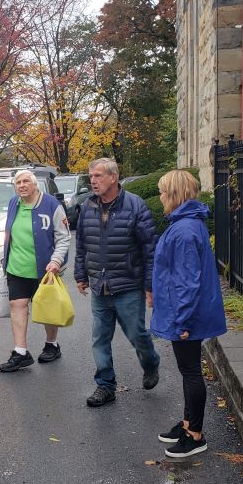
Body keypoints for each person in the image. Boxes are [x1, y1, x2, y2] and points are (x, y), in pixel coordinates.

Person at [150, 170, 227, 458]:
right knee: (188, 369)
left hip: (186, 314)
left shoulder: (183, 230)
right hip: (184, 310)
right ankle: (187, 424)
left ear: (173, 194)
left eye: (162, 191)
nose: (159, 197)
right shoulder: (187, 224)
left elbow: (187, 280)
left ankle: (195, 435)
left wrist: (182, 320)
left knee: (191, 370)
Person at [74, 157, 160, 407]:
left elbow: (149, 249)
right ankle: (105, 385)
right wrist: (81, 275)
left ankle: (150, 363)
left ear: (113, 177)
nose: (93, 180)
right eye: (91, 176)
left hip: (128, 285)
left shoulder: (135, 206)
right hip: (99, 286)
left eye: (98, 176)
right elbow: (81, 245)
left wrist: (149, 286)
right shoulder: (87, 206)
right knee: (100, 337)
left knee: (137, 334)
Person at [0, 170, 71, 372]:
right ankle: (20, 352)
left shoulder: (51, 205)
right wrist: (5, 257)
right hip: (16, 268)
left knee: (47, 308)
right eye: (18, 182)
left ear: (35, 184)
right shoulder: (14, 203)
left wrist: (56, 261)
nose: (21, 185)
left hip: (45, 269)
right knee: (17, 305)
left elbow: (64, 237)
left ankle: (51, 345)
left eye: (26, 181)